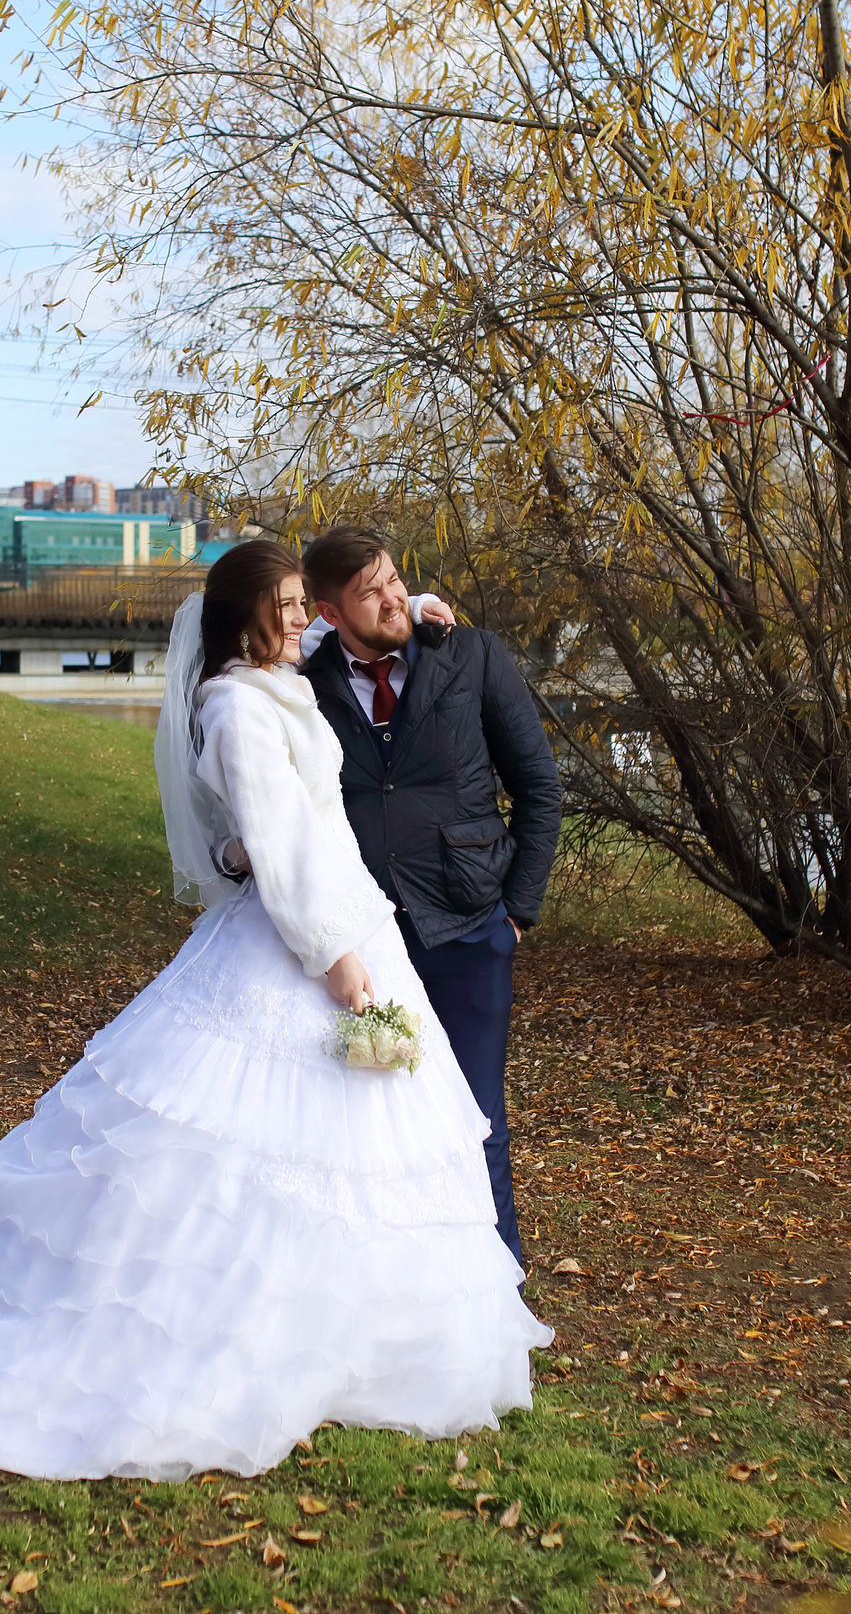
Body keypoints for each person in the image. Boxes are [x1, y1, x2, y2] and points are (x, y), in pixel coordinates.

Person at [0, 539, 550, 1481]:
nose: (306, 618)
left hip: (363, 917)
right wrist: (333, 958)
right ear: (248, 615)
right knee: (262, 1149)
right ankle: (246, 1332)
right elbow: (282, 844)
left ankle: (351, 1334)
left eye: (309, 603)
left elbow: (286, 803)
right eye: (291, 604)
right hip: (317, 935)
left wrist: (415, 601)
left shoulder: (280, 679)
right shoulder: (237, 706)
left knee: (357, 1143)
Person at [289, 527, 562, 1264]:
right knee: (370, 1118)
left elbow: (539, 785)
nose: (392, 599)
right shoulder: (304, 684)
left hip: (471, 927)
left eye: (394, 579)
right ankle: (394, 1279)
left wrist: (515, 910)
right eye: (368, 593)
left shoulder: (470, 655)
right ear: (329, 611)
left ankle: (496, 1281)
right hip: (368, 940)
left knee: (474, 1115)